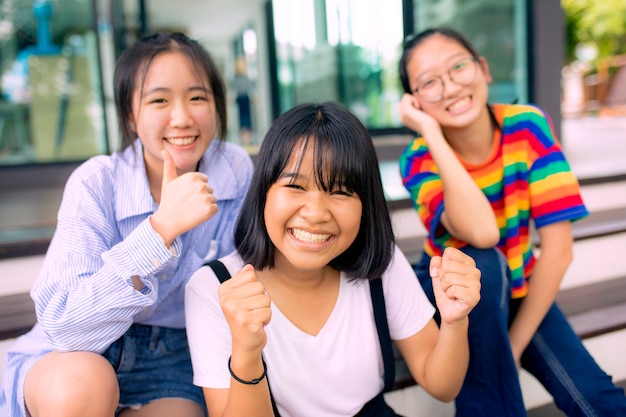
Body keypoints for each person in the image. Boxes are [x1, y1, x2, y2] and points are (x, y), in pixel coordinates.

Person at [0, 32, 253, 417]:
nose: (182, 117)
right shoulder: (97, 182)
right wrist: (159, 231)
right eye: (160, 100)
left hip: (169, 363)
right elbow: (65, 326)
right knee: (81, 387)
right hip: (79, 354)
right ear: (131, 115)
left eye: (198, 97)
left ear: (217, 105)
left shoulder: (233, 171)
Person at [185, 102, 482, 417]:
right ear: (264, 192)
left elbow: (443, 385)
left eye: (340, 191)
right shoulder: (215, 289)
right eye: (295, 186)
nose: (315, 214)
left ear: (365, 204)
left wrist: (454, 321)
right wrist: (245, 350)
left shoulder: (382, 265)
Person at [397, 27, 626, 416]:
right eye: (430, 83)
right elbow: (484, 233)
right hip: (458, 296)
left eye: (458, 68)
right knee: (482, 261)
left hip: (520, 286)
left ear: (483, 69)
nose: (450, 87)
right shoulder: (419, 159)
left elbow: (559, 249)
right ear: (415, 103)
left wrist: (512, 348)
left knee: (596, 396)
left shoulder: (526, 127)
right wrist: (432, 134)